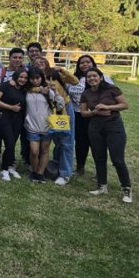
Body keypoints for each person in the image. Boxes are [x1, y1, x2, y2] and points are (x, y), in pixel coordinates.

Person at [80, 68, 132, 203]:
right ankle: (102, 186)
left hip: (113, 126)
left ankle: (126, 189)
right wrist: (95, 112)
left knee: (118, 159)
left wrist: (108, 107)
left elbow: (125, 105)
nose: (92, 78)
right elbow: (83, 113)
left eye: (94, 76)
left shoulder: (112, 89)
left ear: (101, 77)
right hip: (95, 127)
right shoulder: (85, 93)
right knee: (99, 157)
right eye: (89, 77)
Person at [34, 56, 79, 185]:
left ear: (47, 63)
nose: (39, 63)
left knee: (65, 140)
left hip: (62, 110)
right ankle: (56, 165)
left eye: (42, 61)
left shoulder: (55, 74)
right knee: (54, 140)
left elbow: (75, 81)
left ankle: (65, 173)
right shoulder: (34, 78)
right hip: (46, 111)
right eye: (36, 62)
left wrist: (63, 70)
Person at [69, 54, 114, 176]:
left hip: (97, 115)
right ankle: (80, 167)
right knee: (80, 142)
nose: (85, 64)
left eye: (88, 62)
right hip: (78, 115)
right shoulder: (73, 78)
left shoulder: (103, 78)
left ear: (93, 64)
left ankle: (100, 172)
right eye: (82, 63)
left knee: (97, 143)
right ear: (78, 66)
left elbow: (112, 93)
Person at [24, 68, 63, 183]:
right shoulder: (27, 91)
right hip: (31, 125)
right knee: (34, 151)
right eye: (32, 78)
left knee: (45, 150)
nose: (35, 80)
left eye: (38, 78)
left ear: (42, 78)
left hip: (47, 125)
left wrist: (55, 92)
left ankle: (40, 173)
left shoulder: (48, 91)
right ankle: (35, 171)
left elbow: (59, 106)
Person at [0, 68, 29, 181]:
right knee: (10, 144)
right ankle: (4, 170)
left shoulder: (24, 89)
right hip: (5, 118)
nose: (22, 79)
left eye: (25, 78)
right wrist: (11, 107)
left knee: (13, 143)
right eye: (20, 77)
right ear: (15, 76)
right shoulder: (6, 86)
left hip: (17, 120)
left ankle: (10, 166)